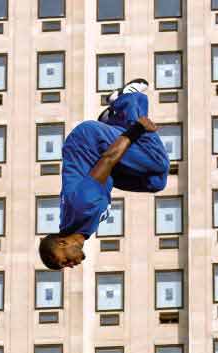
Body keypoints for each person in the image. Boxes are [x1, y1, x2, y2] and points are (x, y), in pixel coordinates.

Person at [38, 79, 170, 271]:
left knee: (158, 163)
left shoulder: (82, 207)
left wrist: (137, 129)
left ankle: (127, 98)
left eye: (64, 261)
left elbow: (108, 160)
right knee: (155, 182)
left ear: (62, 243)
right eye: (66, 266)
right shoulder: (79, 228)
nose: (70, 265)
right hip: (96, 160)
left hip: (89, 141)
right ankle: (113, 122)